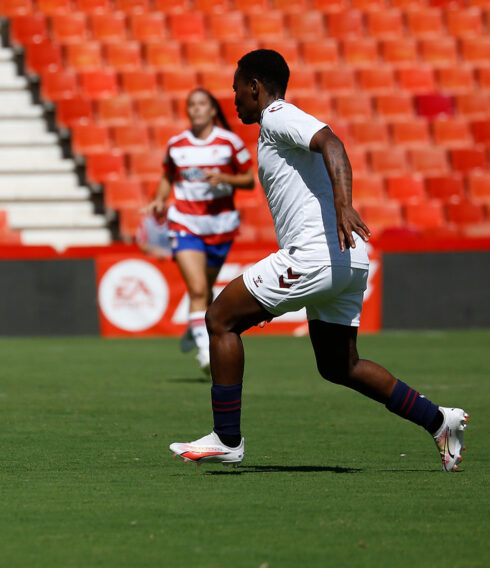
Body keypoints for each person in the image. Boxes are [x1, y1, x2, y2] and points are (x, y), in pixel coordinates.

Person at [168, 50, 468, 472]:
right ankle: (438, 420)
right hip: (348, 261)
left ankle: (227, 438)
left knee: (220, 318)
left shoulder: (277, 115)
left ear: (255, 86)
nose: (233, 97)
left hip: (316, 255)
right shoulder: (273, 126)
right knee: (339, 365)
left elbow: (331, 141)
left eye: (237, 87)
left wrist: (344, 204)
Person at [143, 88, 255, 375]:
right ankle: (205, 354)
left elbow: (249, 180)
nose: (196, 109)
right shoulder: (177, 144)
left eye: (201, 104)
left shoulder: (229, 143)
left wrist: (225, 178)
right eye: (191, 104)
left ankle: (197, 328)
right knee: (197, 289)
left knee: (205, 292)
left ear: (213, 110)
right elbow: (168, 176)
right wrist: (159, 199)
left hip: (220, 226)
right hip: (185, 223)